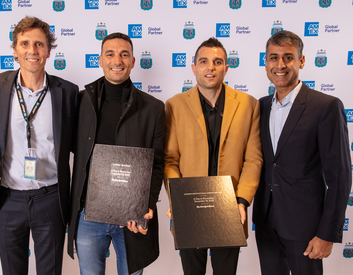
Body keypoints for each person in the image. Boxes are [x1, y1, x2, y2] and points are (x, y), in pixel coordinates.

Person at [0, 16, 78, 275]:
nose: (32, 51)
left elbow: (77, 146)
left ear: (48, 50)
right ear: (14, 50)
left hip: (50, 199)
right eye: (25, 44)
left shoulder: (67, 91)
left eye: (39, 44)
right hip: (8, 199)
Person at [253, 30, 352, 275]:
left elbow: (339, 176)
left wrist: (326, 233)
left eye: (288, 57)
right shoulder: (260, 106)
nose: (280, 65)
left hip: (306, 228)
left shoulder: (326, 107)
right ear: (265, 63)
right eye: (273, 58)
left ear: (302, 61)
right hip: (266, 223)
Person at [67, 32, 165, 275]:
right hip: (89, 215)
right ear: (100, 60)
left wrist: (146, 205)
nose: (117, 60)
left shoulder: (153, 108)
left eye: (124, 54)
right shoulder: (80, 103)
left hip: (131, 217)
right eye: (110, 54)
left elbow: (157, 164)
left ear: (133, 61)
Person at [164, 37, 263, 275]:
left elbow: (253, 159)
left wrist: (242, 200)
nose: (210, 67)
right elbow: (169, 160)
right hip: (189, 207)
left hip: (230, 208)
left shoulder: (249, 105)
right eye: (204, 61)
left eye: (218, 62)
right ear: (193, 68)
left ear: (226, 68)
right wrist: (179, 199)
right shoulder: (174, 105)